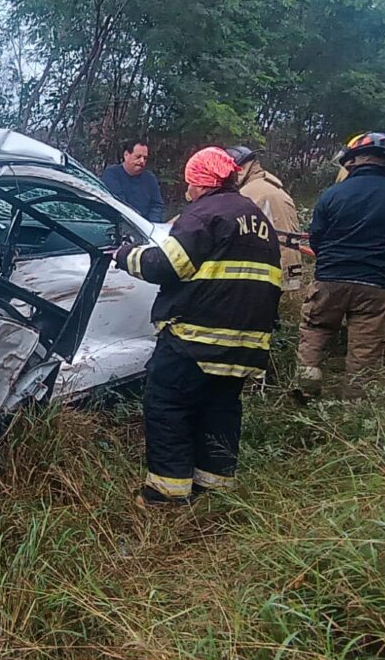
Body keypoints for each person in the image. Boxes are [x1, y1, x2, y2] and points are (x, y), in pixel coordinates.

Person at [115, 147, 282, 507]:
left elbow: (165, 265)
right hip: (244, 345)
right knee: (220, 410)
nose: (188, 190)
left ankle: (166, 495)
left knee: (168, 407)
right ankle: (214, 489)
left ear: (200, 182)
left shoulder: (204, 213)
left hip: (195, 339)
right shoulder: (257, 219)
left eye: (190, 182)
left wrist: (124, 255)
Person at [297, 132, 385, 400]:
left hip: (330, 279)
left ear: (351, 161)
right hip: (376, 284)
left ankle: (306, 386)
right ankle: (353, 406)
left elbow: (316, 237)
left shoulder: (332, 194)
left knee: (316, 329)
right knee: (364, 349)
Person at [228, 146, 303, 292]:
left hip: (269, 271)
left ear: (240, 169)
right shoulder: (270, 186)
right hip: (288, 267)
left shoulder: (249, 193)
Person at [102, 139, 165, 222]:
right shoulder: (112, 174)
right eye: (138, 157)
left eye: (145, 158)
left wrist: (153, 224)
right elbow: (118, 203)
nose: (142, 161)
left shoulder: (150, 178)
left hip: (147, 227)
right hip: (120, 224)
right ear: (126, 155)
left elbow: (157, 205)